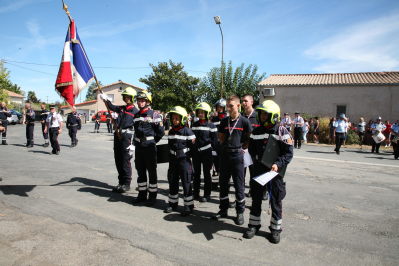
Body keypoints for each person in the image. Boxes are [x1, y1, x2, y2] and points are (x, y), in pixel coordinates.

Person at [245, 100, 293, 244]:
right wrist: (258, 160)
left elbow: (288, 154)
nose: (263, 116)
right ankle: (254, 225)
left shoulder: (282, 132)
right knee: (256, 198)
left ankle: (275, 229)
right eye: (261, 113)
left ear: (274, 116)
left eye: (266, 113)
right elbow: (252, 150)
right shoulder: (256, 132)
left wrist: (277, 164)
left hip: (275, 172)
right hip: (259, 170)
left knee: (275, 200)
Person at [211, 95, 252, 226]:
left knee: (239, 185)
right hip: (225, 155)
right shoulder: (224, 122)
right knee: (223, 184)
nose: (228, 108)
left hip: (237, 156)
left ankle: (240, 212)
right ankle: (223, 209)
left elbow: (249, 139)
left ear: (238, 106)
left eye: (231, 106)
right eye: (227, 106)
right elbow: (221, 138)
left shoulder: (244, 122)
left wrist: (241, 148)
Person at [100, 87, 139, 193]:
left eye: (128, 97)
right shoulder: (122, 108)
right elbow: (111, 106)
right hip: (117, 136)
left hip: (126, 137)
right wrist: (106, 99)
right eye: (125, 97)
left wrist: (134, 144)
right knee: (118, 160)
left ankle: (127, 183)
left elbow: (138, 130)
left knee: (125, 160)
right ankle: (121, 182)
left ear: (132, 98)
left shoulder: (136, 112)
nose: (126, 99)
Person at [131, 91, 165, 206]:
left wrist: (153, 142)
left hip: (149, 147)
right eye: (139, 101)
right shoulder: (136, 116)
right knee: (140, 171)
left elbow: (160, 132)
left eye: (142, 101)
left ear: (148, 102)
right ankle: (141, 194)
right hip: (139, 147)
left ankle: (152, 195)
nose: (140, 103)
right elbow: (135, 132)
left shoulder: (154, 115)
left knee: (151, 172)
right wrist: (133, 144)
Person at [165, 106, 196, 216]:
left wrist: (188, 159)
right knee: (172, 181)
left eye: (177, 119)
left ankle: (188, 205)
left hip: (184, 160)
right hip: (173, 160)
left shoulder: (188, 132)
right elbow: (169, 146)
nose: (174, 121)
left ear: (182, 119)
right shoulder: (171, 131)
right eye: (173, 119)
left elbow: (193, 148)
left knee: (186, 182)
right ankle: (172, 204)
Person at [191, 102, 218, 202]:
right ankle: (196, 192)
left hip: (207, 152)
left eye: (203, 112)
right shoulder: (194, 124)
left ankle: (207, 194)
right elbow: (192, 138)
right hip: (196, 153)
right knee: (196, 173)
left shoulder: (212, 126)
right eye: (199, 112)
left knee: (207, 174)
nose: (200, 114)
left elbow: (215, 141)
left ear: (206, 113)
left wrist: (214, 154)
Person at [241, 94, 261, 199]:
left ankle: (255, 191)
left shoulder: (258, 116)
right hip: (243, 149)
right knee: (241, 173)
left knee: (254, 172)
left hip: (254, 150)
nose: (244, 103)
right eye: (243, 101)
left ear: (252, 102)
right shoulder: (240, 116)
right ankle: (241, 194)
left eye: (246, 101)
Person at [210, 98, 227, 189]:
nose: (219, 109)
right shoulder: (213, 119)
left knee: (224, 165)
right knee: (215, 165)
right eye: (218, 107)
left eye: (221, 107)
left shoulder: (228, 119)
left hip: (224, 145)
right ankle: (214, 182)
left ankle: (224, 183)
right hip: (215, 145)